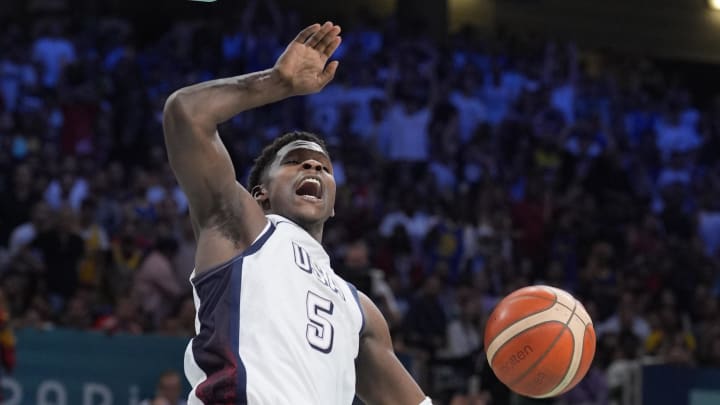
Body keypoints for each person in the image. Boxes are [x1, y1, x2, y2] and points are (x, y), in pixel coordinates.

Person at [163, 22, 431, 404]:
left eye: (324, 167)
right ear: (260, 195)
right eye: (297, 162)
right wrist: (276, 83)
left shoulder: (360, 309)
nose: (314, 169)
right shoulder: (244, 228)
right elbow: (185, 115)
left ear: (334, 203)